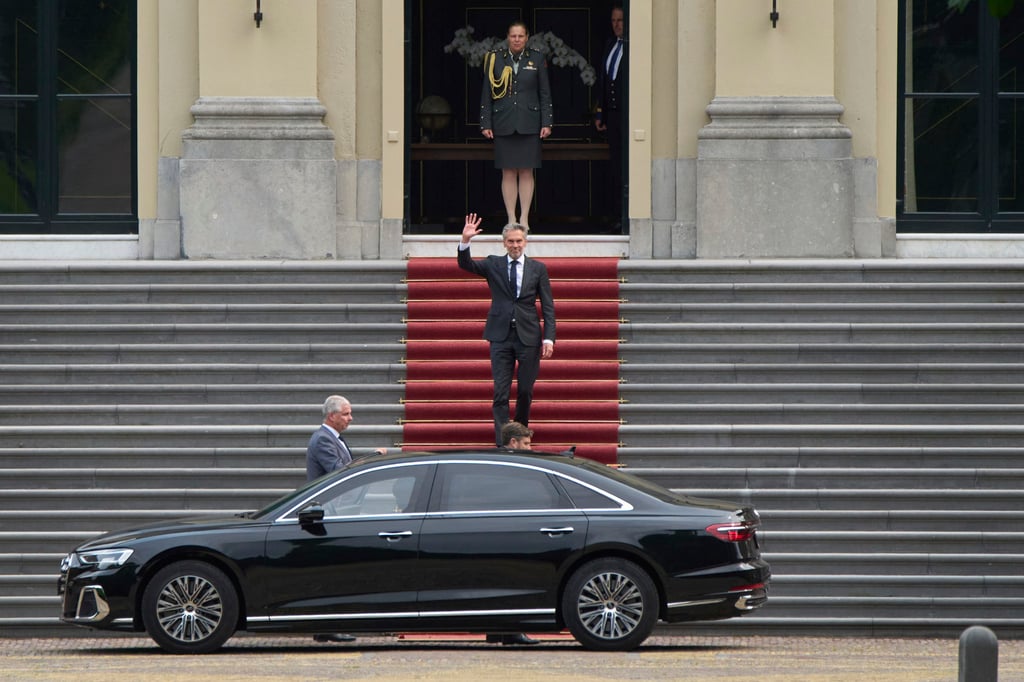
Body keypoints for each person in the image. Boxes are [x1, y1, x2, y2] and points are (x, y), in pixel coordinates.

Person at [458, 213, 555, 446]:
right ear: (504, 243)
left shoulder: (538, 268)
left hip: (529, 336)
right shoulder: (493, 264)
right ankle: (503, 441)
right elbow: (466, 264)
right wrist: (465, 241)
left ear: (526, 242)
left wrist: (549, 338)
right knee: (500, 392)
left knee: (524, 391)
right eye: (511, 241)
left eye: (519, 241)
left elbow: (548, 305)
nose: (515, 245)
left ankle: (520, 436)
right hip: (500, 336)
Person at [306, 394, 386, 644]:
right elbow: (339, 473)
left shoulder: (332, 438)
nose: (350, 418)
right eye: (346, 414)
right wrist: (371, 458)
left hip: (336, 513)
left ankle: (327, 626)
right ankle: (327, 625)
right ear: (332, 416)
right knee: (330, 573)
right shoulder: (323, 439)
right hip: (328, 515)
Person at [479, 20, 554, 229]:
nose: (517, 39)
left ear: (527, 37)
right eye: (513, 36)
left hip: (530, 121)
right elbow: (486, 93)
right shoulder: (495, 59)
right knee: (508, 171)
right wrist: (485, 122)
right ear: (507, 37)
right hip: (503, 120)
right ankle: (511, 218)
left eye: (521, 36)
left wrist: (547, 121)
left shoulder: (537, 58)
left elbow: (544, 92)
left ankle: (525, 218)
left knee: (527, 171)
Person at [485, 420, 539, 646]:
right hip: (505, 530)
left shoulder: (499, 461)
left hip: (495, 529)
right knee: (511, 580)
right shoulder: (509, 464)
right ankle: (509, 631)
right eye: (526, 444)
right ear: (513, 442)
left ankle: (500, 631)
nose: (530, 448)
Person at [594, 6, 626, 231]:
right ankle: (614, 213)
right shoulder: (610, 45)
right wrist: (600, 112)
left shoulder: (634, 47)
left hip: (627, 116)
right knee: (615, 164)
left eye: (621, 20)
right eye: (614, 20)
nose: (617, 24)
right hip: (612, 116)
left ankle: (624, 215)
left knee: (626, 165)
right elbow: (604, 82)